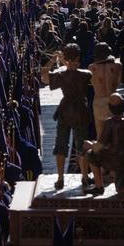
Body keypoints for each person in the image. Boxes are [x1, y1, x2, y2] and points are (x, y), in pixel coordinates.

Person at [41, 44, 93, 189]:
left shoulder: (61, 75)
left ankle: (60, 178)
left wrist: (54, 59)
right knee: (82, 145)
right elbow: (77, 70)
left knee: (61, 145)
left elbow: (44, 76)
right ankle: (84, 176)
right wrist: (67, 62)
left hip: (65, 111)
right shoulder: (85, 74)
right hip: (81, 111)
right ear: (78, 58)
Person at [88, 43, 122, 137]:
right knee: (117, 136)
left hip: (98, 102)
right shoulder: (117, 66)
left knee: (100, 136)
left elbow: (91, 83)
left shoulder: (91, 68)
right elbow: (119, 81)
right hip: (113, 101)